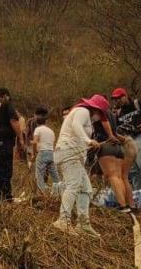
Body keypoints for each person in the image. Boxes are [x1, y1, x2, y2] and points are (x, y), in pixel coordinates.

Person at [52, 94, 107, 237]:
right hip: (68, 151)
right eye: (100, 113)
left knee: (86, 189)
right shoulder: (83, 111)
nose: (99, 116)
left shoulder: (87, 117)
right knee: (73, 185)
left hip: (75, 154)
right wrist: (88, 140)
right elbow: (76, 126)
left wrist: (87, 144)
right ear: (96, 109)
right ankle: (62, 220)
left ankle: (83, 224)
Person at [112, 87, 141, 202]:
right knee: (132, 169)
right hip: (127, 140)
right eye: (115, 99)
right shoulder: (118, 112)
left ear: (125, 96)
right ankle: (140, 195)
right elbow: (117, 128)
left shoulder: (138, 104)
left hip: (139, 136)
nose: (117, 100)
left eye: (119, 98)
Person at [92, 104, 133, 213]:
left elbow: (103, 125)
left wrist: (108, 135)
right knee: (119, 177)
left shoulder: (99, 114)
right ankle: (126, 205)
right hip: (118, 147)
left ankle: (123, 206)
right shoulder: (112, 113)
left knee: (113, 177)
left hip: (106, 146)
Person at [31, 110, 60, 193]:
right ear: (45, 122)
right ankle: (59, 190)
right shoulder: (51, 131)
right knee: (54, 174)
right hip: (51, 153)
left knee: (39, 174)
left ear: (37, 123)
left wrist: (33, 154)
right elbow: (53, 143)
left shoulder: (37, 129)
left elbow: (35, 142)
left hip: (42, 153)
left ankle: (41, 193)